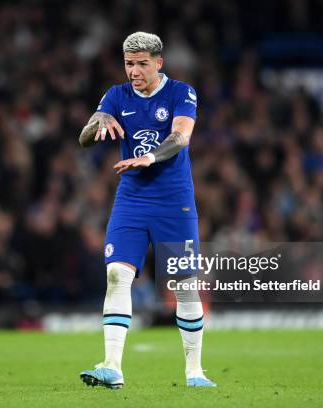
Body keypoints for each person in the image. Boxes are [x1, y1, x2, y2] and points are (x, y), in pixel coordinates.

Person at [78, 32, 216, 389]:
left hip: (174, 202)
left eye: (141, 64)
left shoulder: (181, 92)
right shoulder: (115, 95)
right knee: (116, 276)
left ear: (158, 62)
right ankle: (111, 366)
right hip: (132, 200)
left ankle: (194, 371)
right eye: (128, 63)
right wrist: (97, 124)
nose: (134, 71)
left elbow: (181, 136)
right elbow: (84, 137)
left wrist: (150, 157)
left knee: (185, 286)